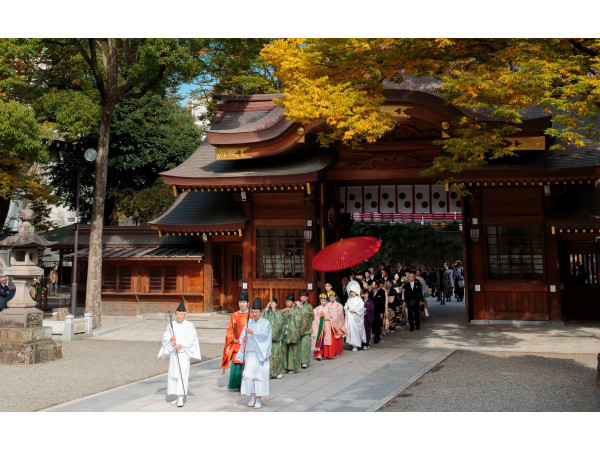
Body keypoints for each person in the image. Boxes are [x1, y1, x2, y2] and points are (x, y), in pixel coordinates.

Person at [157, 300, 201, 407]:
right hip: (174, 354)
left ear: (185, 315)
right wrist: (170, 338)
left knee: (182, 374)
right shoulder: (172, 325)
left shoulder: (189, 325)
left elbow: (192, 340)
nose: (179, 316)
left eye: (181, 314)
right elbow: (165, 336)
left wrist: (181, 344)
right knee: (174, 374)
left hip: (183, 354)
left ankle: (181, 397)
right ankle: (177, 396)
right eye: (177, 314)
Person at [235, 297, 272, 409]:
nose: (254, 314)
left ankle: (259, 398)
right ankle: (252, 397)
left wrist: (252, 332)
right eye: (253, 312)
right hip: (250, 354)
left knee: (259, 377)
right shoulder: (249, 322)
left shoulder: (266, 323)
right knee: (249, 376)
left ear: (261, 312)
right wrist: (244, 338)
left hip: (260, 354)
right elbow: (242, 336)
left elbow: (264, 336)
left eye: (257, 312)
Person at [222, 290, 250, 391]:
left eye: (244, 302)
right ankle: (235, 384)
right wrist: (234, 339)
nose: (242, 304)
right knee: (237, 362)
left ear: (248, 303)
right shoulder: (235, 315)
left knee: (248, 363)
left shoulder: (250, 315)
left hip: (247, 342)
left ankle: (246, 385)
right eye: (240, 302)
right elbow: (230, 329)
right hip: (237, 342)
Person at [262, 297, 284, 379]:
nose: (272, 305)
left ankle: (279, 372)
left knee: (277, 355)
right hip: (268, 340)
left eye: (273, 303)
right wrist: (266, 309)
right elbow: (263, 320)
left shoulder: (278, 313)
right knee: (269, 356)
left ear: (276, 304)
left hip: (276, 339)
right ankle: (270, 372)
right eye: (270, 303)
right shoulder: (267, 313)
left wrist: (274, 310)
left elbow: (280, 322)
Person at [281, 293, 301, 374]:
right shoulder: (284, 310)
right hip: (285, 332)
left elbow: (299, 319)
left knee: (292, 350)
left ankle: (292, 368)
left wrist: (293, 315)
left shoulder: (296, 310)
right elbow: (279, 318)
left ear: (293, 303)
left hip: (293, 333)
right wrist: (282, 312)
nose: (288, 304)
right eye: (287, 302)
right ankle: (285, 367)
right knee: (284, 350)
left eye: (289, 302)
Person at [344, 280, 366, 351]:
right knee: (351, 331)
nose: (352, 293)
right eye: (351, 292)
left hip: (356, 317)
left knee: (356, 331)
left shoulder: (359, 300)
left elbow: (361, 308)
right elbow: (346, 305)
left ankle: (356, 345)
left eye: (353, 292)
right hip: (350, 317)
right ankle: (352, 343)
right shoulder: (349, 299)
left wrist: (355, 311)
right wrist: (346, 308)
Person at [311, 294, 334, 360]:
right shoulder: (317, 309)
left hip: (327, 325)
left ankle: (327, 354)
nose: (323, 302)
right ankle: (319, 354)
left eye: (324, 301)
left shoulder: (330, 308)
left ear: (327, 301)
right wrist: (319, 317)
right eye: (321, 301)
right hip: (319, 327)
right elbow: (314, 316)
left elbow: (333, 317)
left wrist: (326, 318)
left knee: (326, 340)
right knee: (320, 340)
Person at [327, 291, 346, 355]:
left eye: (333, 297)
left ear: (335, 297)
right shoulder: (327, 304)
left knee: (337, 336)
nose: (331, 298)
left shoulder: (339, 305)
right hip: (329, 322)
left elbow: (339, 315)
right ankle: (331, 350)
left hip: (337, 323)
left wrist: (332, 318)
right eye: (330, 297)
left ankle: (337, 350)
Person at [298, 290, 313, 369]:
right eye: (301, 297)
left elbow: (309, 315)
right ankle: (298, 361)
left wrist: (301, 308)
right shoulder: (297, 306)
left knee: (305, 346)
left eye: (304, 297)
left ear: (307, 298)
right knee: (298, 346)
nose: (303, 298)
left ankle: (304, 361)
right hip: (298, 329)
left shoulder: (309, 306)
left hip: (306, 329)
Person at [369, 279, 386, 344]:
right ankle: (374, 335)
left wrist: (382, 312)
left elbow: (382, 302)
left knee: (378, 324)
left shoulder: (381, 292)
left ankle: (377, 337)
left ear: (376, 285)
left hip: (378, 311)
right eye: (371, 285)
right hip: (372, 311)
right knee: (373, 324)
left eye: (373, 285)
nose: (372, 286)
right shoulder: (370, 292)